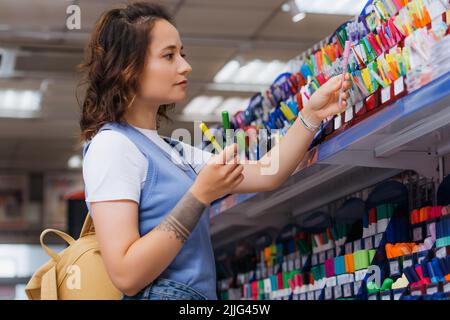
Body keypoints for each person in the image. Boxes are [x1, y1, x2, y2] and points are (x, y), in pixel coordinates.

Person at [80, 2, 351, 300]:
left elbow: (265, 173)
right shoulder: (112, 146)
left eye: (182, 54)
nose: (185, 66)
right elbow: (126, 275)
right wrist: (200, 196)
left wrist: (310, 115)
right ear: (127, 68)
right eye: (169, 55)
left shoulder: (174, 151)